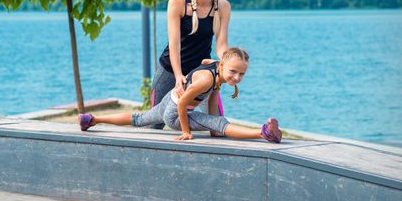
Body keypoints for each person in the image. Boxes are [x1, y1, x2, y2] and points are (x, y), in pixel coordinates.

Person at [78, 48, 282, 143]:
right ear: (221, 66)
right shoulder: (207, 80)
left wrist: (213, 126)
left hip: (170, 100)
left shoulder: (214, 69)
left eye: (242, 74)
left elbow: (206, 72)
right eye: (233, 72)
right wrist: (186, 131)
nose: (237, 77)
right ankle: (263, 133)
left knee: (139, 119)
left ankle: (92, 119)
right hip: (176, 113)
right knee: (221, 124)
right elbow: (184, 103)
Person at [151, 0, 231, 129]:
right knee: (154, 123)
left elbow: (221, 45)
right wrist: (179, 75)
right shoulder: (178, 2)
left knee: (216, 123)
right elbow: (174, 44)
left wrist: (229, 65)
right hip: (170, 69)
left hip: (201, 72)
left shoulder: (223, 6)